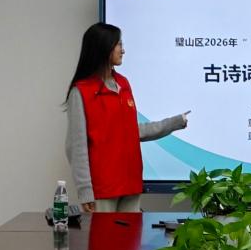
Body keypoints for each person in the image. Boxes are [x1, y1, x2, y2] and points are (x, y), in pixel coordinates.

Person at [65, 22, 188, 213]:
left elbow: (132, 131)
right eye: (119, 45)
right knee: (104, 234)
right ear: (104, 47)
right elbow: (76, 146)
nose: (123, 50)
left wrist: (174, 122)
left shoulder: (123, 84)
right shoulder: (81, 91)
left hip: (131, 184)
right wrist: (85, 191)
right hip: (103, 189)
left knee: (131, 234)